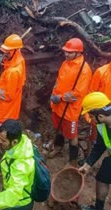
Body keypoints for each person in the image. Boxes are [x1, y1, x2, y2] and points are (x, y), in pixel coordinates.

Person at [47, 38, 92, 166]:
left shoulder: (84, 70)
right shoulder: (65, 63)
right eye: (65, 51)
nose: (66, 54)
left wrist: (60, 98)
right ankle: (58, 148)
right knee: (59, 128)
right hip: (57, 106)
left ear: (78, 53)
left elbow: (78, 94)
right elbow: (58, 81)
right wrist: (53, 93)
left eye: (70, 52)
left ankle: (72, 161)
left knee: (72, 136)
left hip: (70, 110)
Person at [79, 92, 111, 210]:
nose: (90, 120)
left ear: (100, 116)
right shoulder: (102, 126)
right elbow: (99, 146)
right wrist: (87, 164)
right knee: (102, 178)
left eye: (90, 116)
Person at [0, 34, 26, 141]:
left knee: (2, 137)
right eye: (5, 51)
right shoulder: (18, 60)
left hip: (5, 112)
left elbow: (7, 95)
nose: (5, 53)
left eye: (8, 51)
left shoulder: (13, 72)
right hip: (10, 111)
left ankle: (1, 153)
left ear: (16, 51)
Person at [85, 46, 111, 152]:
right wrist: (88, 114)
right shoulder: (101, 72)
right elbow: (91, 93)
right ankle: (89, 158)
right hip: (98, 116)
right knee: (94, 139)